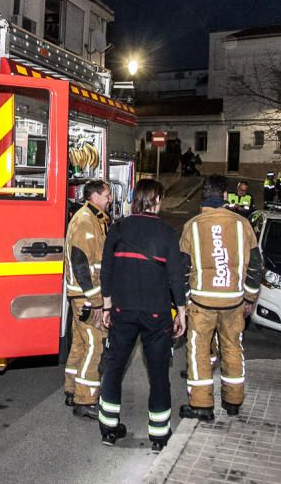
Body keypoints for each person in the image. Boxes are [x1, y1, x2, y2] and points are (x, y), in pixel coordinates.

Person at [98, 179, 187, 452]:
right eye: (160, 199)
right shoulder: (166, 233)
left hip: (122, 311)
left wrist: (106, 305)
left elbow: (106, 270)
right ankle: (159, 436)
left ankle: (109, 429)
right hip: (156, 314)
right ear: (155, 201)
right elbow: (175, 278)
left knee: (113, 368)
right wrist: (181, 311)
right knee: (159, 372)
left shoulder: (118, 228)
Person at [178, 175, 263, 422]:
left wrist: (184, 300)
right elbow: (256, 266)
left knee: (198, 351)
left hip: (202, 303)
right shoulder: (242, 224)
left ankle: (202, 405)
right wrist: (249, 297)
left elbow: (183, 268)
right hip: (233, 301)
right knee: (233, 347)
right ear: (225, 196)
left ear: (202, 197)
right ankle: (233, 401)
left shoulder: (192, 226)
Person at [63, 180, 112, 418]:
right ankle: (85, 400)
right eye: (106, 195)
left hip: (81, 295)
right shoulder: (85, 221)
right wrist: (96, 299)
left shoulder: (92, 219)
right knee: (96, 345)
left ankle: (72, 389)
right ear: (93, 196)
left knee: (80, 344)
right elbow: (80, 261)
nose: (109, 199)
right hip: (86, 296)